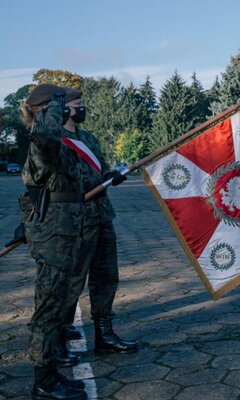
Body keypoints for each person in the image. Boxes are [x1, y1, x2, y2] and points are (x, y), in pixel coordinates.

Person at [19, 84, 88, 399]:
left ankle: (50, 374)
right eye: (63, 103)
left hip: (60, 234)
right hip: (53, 237)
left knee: (55, 303)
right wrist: (53, 109)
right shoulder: (42, 139)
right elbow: (46, 135)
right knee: (48, 308)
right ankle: (44, 380)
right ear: (48, 109)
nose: (71, 108)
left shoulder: (52, 142)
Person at [59, 87, 138, 357]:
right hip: (75, 221)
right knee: (72, 279)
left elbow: (99, 169)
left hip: (102, 215)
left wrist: (111, 175)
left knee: (106, 277)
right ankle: (57, 337)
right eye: (77, 104)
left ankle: (104, 335)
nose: (81, 108)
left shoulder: (88, 138)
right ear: (62, 108)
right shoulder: (55, 140)